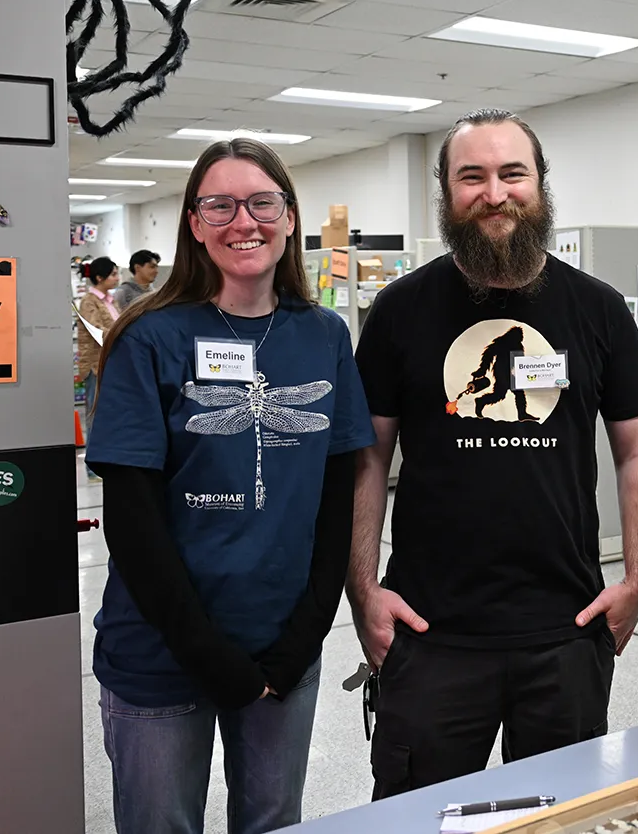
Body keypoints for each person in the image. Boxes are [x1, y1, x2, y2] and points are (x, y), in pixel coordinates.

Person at [347, 108, 638, 798]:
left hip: (567, 629)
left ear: (540, 184)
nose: (495, 193)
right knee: (415, 816)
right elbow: (367, 458)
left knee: (564, 815)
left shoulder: (599, 309)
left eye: (512, 173)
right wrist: (363, 589)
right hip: (430, 632)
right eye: (473, 176)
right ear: (446, 193)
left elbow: (637, 449)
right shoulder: (399, 311)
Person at [84, 138, 375, 834]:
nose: (242, 220)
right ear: (193, 223)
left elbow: (340, 494)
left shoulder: (324, 334)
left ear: (290, 216)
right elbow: (130, 517)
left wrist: (306, 634)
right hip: (162, 650)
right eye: (219, 204)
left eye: (261, 202)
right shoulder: (149, 336)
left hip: (284, 647)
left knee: (274, 822)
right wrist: (207, 652)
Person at [76, 255, 120, 439]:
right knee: (95, 415)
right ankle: (93, 467)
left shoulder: (110, 300)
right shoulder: (89, 300)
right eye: (113, 274)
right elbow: (96, 330)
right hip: (96, 365)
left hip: (113, 363)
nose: (117, 278)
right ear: (100, 278)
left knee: (112, 415)